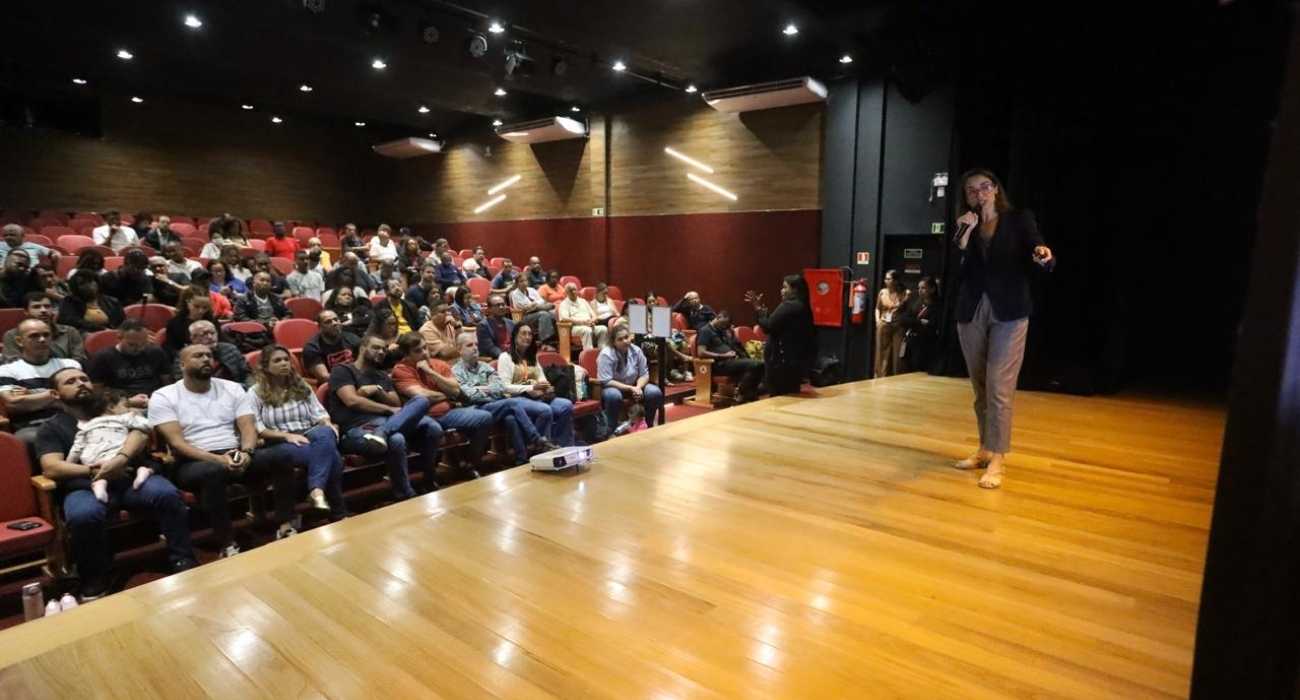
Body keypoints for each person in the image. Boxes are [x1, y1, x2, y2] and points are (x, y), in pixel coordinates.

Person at [38, 368, 197, 599]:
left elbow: (141, 433)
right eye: (71, 381)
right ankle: (94, 577)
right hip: (85, 485)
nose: (81, 383)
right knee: (83, 515)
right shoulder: (52, 427)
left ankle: (183, 558)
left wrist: (120, 460)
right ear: (55, 394)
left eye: (84, 379)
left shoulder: (110, 409)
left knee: (167, 494)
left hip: (131, 478)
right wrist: (95, 469)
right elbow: (52, 467)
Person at [951, 168, 1055, 489]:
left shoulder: (1019, 219)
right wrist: (964, 235)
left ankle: (998, 457)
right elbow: (958, 266)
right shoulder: (965, 226)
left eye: (984, 187)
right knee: (980, 386)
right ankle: (984, 447)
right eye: (972, 190)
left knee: (999, 386)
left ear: (995, 189)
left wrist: (1043, 255)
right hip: (972, 309)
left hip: (1010, 310)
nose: (979, 193)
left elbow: (1038, 247)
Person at [149, 344, 258, 558]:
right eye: (198, 356)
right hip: (191, 461)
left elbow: (248, 427)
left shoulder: (233, 387)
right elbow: (178, 444)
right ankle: (226, 542)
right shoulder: (164, 395)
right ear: (182, 365)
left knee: (281, 455)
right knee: (212, 472)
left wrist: (247, 452)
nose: (206, 359)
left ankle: (285, 523)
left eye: (209, 355)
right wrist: (219, 460)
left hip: (234, 452)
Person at [327, 334, 442, 500]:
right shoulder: (343, 371)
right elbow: (352, 401)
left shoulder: (380, 375)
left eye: (384, 349)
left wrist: (377, 390)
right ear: (362, 348)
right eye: (376, 348)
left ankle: (428, 480)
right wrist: (388, 409)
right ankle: (405, 494)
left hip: (386, 423)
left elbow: (395, 402)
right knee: (396, 439)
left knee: (430, 420)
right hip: (356, 429)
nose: (381, 352)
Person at [247, 345, 347, 530]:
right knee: (331, 457)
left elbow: (319, 413)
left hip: (309, 434)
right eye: (277, 360)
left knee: (325, 432)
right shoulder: (255, 392)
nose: (284, 363)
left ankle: (317, 491)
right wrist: (286, 436)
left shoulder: (300, 385)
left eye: (286, 360)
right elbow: (257, 427)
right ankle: (337, 511)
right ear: (266, 366)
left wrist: (327, 423)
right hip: (278, 441)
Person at [390, 333, 494, 479]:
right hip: (422, 417)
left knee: (484, 417)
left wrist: (430, 371)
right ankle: (429, 477)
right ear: (406, 354)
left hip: (447, 414)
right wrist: (445, 394)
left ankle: (471, 464)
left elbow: (455, 389)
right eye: (418, 351)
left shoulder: (438, 364)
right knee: (434, 429)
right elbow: (422, 397)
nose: (424, 353)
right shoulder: (401, 370)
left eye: (425, 348)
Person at [452, 332, 558, 463]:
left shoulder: (485, 367)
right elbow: (467, 395)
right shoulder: (455, 371)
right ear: (459, 350)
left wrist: (480, 389)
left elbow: (500, 387)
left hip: (495, 406)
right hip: (475, 409)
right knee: (512, 403)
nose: (475, 348)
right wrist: (488, 390)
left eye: (476, 344)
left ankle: (522, 459)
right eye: (469, 345)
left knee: (511, 418)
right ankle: (537, 440)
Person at [0, 319, 82, 448]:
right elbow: (13, 404)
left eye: (46, 335)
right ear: (19, 341)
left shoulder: (70, 365)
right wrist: (56, 397)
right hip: (32, 425)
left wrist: (31, 395)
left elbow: (81, 398)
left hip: (73, 420)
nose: (42, 339)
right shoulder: (7, 371)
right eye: (34, 336)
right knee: (39, 438)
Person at [68, 390, 155, 503]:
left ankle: (100, 482)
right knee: (142, 460)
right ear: (111, 407)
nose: (128, 409)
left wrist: (69, 463)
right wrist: (136, 414)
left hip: (94, 461)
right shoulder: (124, 418)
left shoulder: (86, 426)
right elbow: (148, 426)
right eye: (125, 406)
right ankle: (142, 471)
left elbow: (77, 447)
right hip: (117, 456)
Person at [496, 323, 575, 445]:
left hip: (537, 396)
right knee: (546, 410)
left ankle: (561, 443)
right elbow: (504, 387)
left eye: (530, 334)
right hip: (517, 399)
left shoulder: (532, 357)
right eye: (523, 333)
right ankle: (540, 447)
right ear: (515, 336)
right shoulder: (505, 357)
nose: (527, 337)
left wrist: (546, 387)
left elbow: (541, 378)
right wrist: (530, 387)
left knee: (566, 405)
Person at [745, 274, 816, 396]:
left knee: (778, 397)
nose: (781, 290)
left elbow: (768, 326)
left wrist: (757, 309)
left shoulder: (789, 305)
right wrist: (763, 312)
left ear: (794, 289)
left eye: (785, 287)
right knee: (791, 395)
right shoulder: (803, 306)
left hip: (780, 361)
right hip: (794, 361)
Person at [85, 319, 172, 408]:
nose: (139, 348)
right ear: (119, 337)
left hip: (155, 400)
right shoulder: (103, 357)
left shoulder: (156, 352)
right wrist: (128, 402)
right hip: (122, 403)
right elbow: (97, 391)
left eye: (144, 344)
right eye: (132, 345)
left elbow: (167, 383)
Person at [596, 325, 663, 431]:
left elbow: (644, 374)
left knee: (654, 392)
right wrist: (630, 388)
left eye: (626, 337)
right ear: (613, 342)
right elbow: (606, 380)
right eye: (620, 339)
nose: (625, 341)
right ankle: (611, 430)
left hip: (634, 385)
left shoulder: (636, 350)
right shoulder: (606, 354)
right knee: (613, 396)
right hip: (613, 387)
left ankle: (648, 426)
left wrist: (638, 387)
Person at [696, 310, 764, 403]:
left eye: (726, 325)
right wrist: (722, 355)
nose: (724, 327)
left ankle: (748, 393)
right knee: (756, 364)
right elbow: (701, 352)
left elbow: (734, 345)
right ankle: (742, 393)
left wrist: (731, 335)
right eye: (723, 324)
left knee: (759, 364)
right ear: (718, 317)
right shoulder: (705, 331)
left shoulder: (722, 331)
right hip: (719, 364)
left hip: (731, 361)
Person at [3, 292, 85, 362]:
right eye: (36, 307)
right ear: (26, 311)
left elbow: (79, 359)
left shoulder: (70, 331)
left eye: (47, 306)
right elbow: (12, 362)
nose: (43, 310)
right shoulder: (12, 335)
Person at [186, 319, 252, 385]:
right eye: (204, 334)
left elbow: (247, 374)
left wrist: (246, 389)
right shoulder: (186, 356)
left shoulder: (230, 349)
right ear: (193, 338)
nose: (210, 337)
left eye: (213, 333)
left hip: (236, 389)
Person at [302, 309, 360, 383]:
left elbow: (365, 363)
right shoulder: (312, 348)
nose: (334, 323)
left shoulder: (352, 338)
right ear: (320, 327)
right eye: (328, 322)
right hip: (333, 385)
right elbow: (324, 377)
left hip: (356, 379)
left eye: (336, 319)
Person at [898, 276, 941, 374]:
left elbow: (931, 325)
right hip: (910, 342)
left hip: (924, 346)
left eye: (923, 288)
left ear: (932, 289)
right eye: (919, 288)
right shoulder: (915, 303)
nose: (920, 291)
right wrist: (919, 322)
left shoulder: (938, 307)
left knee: (919, 372)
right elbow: (902, 319)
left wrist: (914, 322)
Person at [59, 270, 124, 333]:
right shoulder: (70, 301)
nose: (88, 285)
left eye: (90, 281)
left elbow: (122, 323)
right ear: (76, 288)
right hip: (85, 336)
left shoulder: (112, 301)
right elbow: (71, 321)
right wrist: (102, 329)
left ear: (97, 282)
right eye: (82, 283)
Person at [873, 269, 909, 378]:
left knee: (897, 353)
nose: (886, 281)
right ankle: (880, 376)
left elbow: (907, 310)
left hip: (898, 324)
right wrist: (877, 320)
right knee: (881, 352)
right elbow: (877, 308)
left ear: (896, 280)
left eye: (888, 279)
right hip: (884, 323)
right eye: (885, 278)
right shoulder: (882, 292)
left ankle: (896, 377)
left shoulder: (905, 293)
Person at [163, 288, 217, 356]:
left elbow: (220, 341)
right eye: (196, 306)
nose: (201, 311)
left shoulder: (212, 320)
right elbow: (170, 347)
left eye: (205, 307)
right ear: (187, 302)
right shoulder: (175, 323)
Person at [557, 283, 607, 350]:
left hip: (589, 325)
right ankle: (589, 354)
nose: (573, 292)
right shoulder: (564, 304)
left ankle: (602, 350)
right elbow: (564, 318)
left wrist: (592, 321)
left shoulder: (583, 301)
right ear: (566, 292)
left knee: (603, 329)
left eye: (574, 289)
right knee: (586, 330)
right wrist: (582, 322)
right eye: (571, 290)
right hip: (575, 327)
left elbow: (594, 315)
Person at [509, 274, 556, 343]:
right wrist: (535, 305)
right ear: (517, 283)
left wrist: (534, 305)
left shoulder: (532, 290)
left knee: (553, 313)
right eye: (521, 281)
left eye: (525, 280)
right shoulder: (514, 294)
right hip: (524, 316)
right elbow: (525, 308)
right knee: (544, 314)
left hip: (536, 311)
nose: (524, 283)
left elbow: (541, 300)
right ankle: (545, 340)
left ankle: (554, 338)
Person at [477, 293, 515, 360]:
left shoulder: (511, 323)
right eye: (497, 305)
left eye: (503, 304)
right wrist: (506, 358)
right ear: (489, 309)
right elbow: (490, 348)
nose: (501, 307)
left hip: (512, 355)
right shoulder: (483, 326)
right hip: (497, 359)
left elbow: (516, 342)